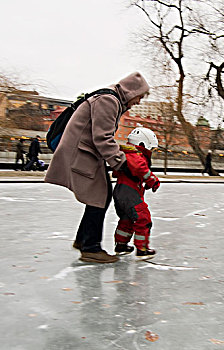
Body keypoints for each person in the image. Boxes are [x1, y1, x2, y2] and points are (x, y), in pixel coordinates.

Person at [45, 72, 150, 263]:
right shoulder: (109, 100)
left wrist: (118, 154)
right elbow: (102, 138)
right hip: (81, 153)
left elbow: (101, 136)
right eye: (140, 97)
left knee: (99, 196)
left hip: (85, 152)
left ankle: (83, 239)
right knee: (100, 197)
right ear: (132, 91)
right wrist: (122, 163)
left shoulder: (111, 99)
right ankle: (90, 248)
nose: (139, 102)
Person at [112, 127, 160, 260]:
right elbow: (141, 169)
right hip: (129, 193)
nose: (151, 152)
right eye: (151, 148)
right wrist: (153, 181)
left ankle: (121, 244)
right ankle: (142, 248)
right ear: (143, 144)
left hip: (121, 191)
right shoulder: (135, 155)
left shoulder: (126, 154)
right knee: (143, 218)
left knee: (126, 219)